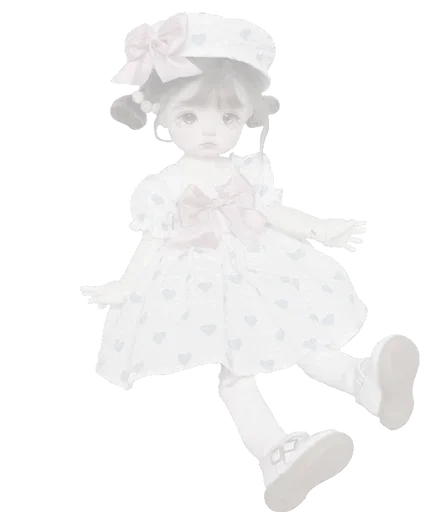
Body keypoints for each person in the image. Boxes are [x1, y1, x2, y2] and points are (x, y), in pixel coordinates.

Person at [80, 13, 419, 511]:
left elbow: (275, 212)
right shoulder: (158, 186)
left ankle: (372, 392)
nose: (211, 131)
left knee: (304, 341)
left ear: (247, 120)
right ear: (158, 114)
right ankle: (275, 451)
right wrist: (124, 287)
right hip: (197, 288)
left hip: (259, 271)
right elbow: (150, 242)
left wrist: (321, 229)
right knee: (236, 372)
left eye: (228, 118)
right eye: (190, 117)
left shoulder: (252, 169)